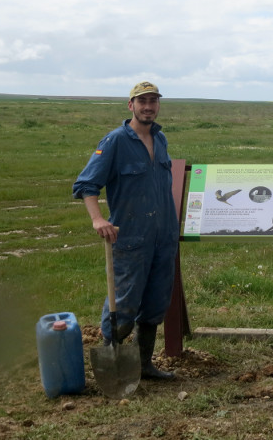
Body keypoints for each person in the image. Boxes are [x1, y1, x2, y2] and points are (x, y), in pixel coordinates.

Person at [72, 81, 179, 379]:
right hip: (131, 239)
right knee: (124, 305)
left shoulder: (161, 139)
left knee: (156, 303)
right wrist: (97, 219)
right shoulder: (115, 141)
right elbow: (86, 185)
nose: (148, 106)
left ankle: (144, 365)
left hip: (163, 238)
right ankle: (114, 365)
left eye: (153, 101)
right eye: (141, 101)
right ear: (130, 105)